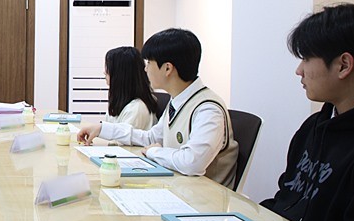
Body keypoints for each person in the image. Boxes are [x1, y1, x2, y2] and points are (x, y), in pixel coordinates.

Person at [261, 3, 354, 221]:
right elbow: (286, 198)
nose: (299, 71)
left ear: (343, 65)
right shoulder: (313, 126)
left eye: (306, 59)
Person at [77, 28, 238, 187]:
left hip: (203, 198)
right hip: (178, 188)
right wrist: (103, 129)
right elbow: (151, 138)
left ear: (167, 68)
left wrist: (154, 152)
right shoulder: (177, 100)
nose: (145, 69)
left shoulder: (208, 109)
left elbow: (192, 163)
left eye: (149, 63)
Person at [103, 46, 159, 130]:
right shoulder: (119, 103)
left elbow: (120, 137)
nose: (104, 72)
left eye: (108, 69)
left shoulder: (137, 109)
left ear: (121, 74)